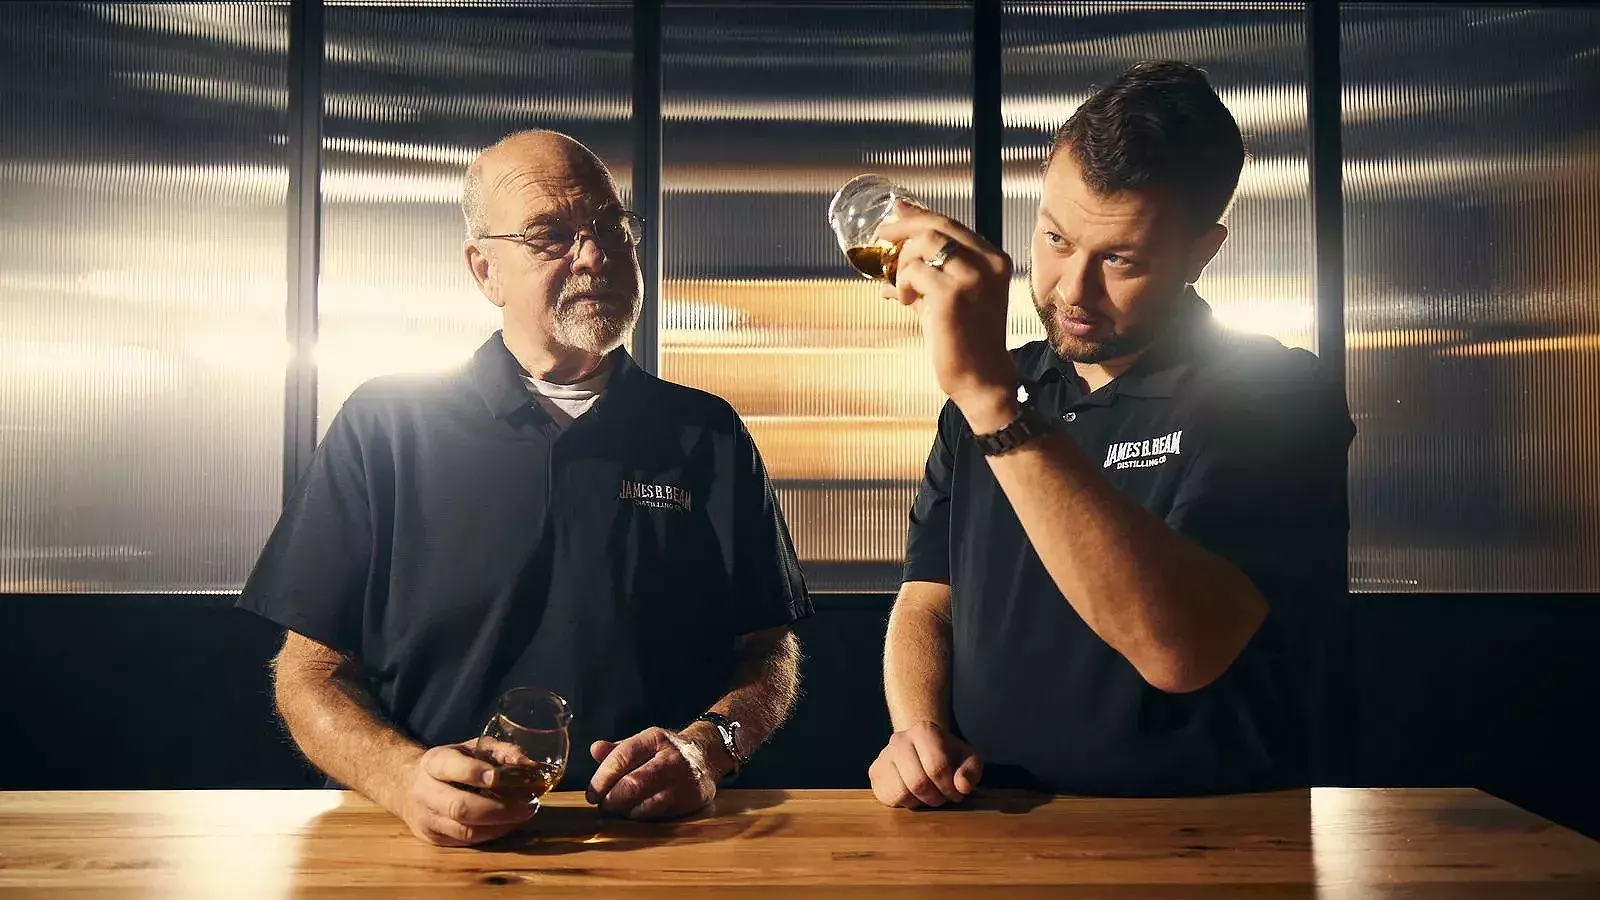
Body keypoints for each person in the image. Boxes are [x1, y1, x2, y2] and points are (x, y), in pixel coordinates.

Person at [239, 130, 810, 845]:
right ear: (486, 271)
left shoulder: (706, 432)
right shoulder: (387, 425)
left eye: (610, 228)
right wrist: (401, 778)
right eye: (552, 236)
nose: (595, 256)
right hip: (422, 845)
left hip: (659, 847)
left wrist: (709, 746)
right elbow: (309, 673)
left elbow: (768, 654)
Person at [868, 61, 1354, 806]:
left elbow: (1178, 652)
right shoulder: (995, 389)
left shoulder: (1275, 394)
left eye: (1120, 259)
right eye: (1057, 239)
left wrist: (996, 406)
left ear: (1201, 252)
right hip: (991, 823)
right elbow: (929, 599)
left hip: (1212, 840)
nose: (1072, 290)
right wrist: (917, 729)